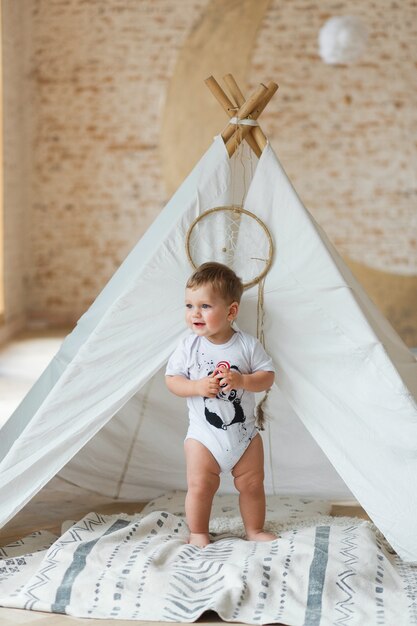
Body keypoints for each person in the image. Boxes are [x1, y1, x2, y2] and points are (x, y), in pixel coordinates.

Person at [165, 261, 277, 548]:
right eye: (189, 306)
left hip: (244, 435)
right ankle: (199, 532)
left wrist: (242, 381)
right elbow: (172, 380)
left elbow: (267, 377)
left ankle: (253, 529)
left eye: (205, 306)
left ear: (231, 311)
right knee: (201, 486)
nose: (195, 314)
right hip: (204, 435)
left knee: (252, 484)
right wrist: (196, 386)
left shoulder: (247, 345)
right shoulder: (188, 347)